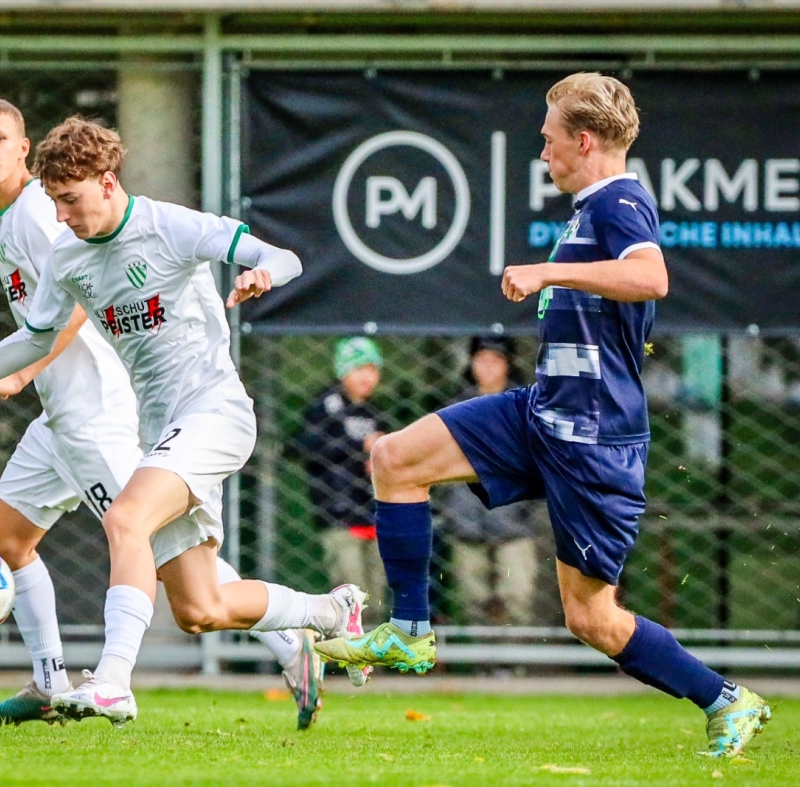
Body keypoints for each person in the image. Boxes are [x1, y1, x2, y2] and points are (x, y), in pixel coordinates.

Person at [316, 73, 773, 757]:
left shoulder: (620, 200)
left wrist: (548, 273)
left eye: (548, 139)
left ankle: (726, 698)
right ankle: (409, 629)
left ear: (582, 140)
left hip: (595, 439)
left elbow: (652, 277)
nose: (543, 152)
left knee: (592, 618)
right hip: (541, 413)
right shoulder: (592, 206)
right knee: (394, 457)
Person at [0, 115, 367, 728]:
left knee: (126, 519)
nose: (61, 216)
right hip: (158, 431)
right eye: (54, 202)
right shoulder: (69, 254)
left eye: (69, 201)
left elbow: (280, 255)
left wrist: (263, 273)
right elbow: (32, 339)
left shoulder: (169, 225)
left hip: (214, 411)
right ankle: (329, 614)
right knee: (201, 606)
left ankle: (114, 683)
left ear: (107, 180)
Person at [439, 335, 539, 627]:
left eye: (496, 360)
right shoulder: (454, 407)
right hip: (466, 518)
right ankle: (484, 667)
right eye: (482, 360)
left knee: (518, 596)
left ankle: (515, 665)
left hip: (515, 520)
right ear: (471, 364)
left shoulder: (526, 405)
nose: (489, 367)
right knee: (474, 599)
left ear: (508, 365)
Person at [300, 337, 389, 624]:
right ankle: (348, 656)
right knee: (350, 594)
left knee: (376, 594)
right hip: (339, 513)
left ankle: (370, 658)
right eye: (359, 368)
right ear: (343, 371)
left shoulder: (375, 412)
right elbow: (310, 448)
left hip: (373, 511)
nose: (367, 376)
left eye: (372, 369)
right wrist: (360, 446)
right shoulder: (323, 407)